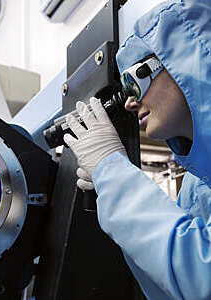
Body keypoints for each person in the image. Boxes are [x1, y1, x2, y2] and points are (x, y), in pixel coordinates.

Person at [63, 0, 211, 299]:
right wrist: (111, 187)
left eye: (133, 82)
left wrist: (114, 175)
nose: (130, 103)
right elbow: (170, 287)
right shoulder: (197, 184)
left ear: (183, 60)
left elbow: (202, 278)